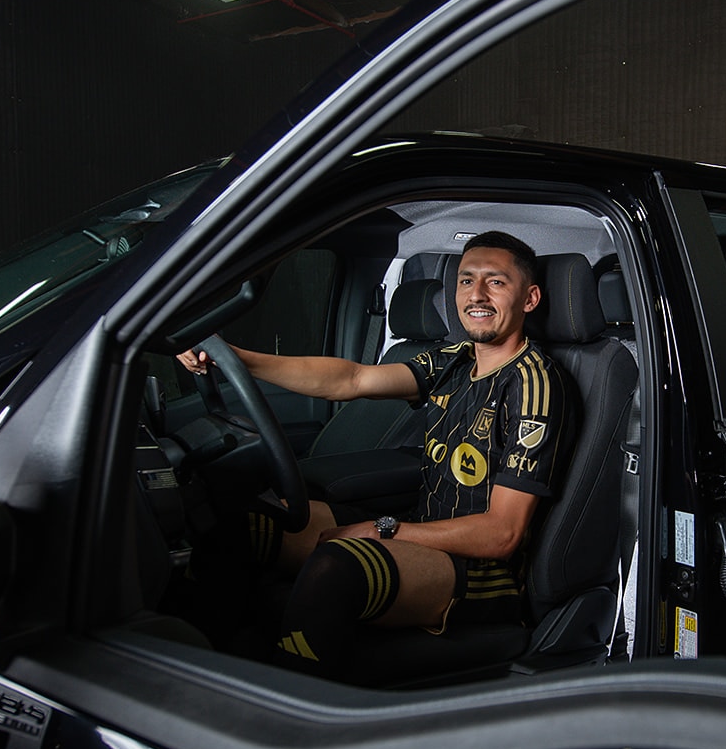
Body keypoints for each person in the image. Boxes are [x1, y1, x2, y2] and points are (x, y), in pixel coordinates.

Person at [177, 231, 576, 678]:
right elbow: (351, 380)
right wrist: (233, 357)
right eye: (466, 281)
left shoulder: (535, 385)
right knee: (245, 524)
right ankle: (204, 667)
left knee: (338, 566)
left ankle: (289, 712)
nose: (476, 295)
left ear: (530, 298)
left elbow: (501, 535)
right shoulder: (454, 360)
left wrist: (382, 530)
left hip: (487, 576)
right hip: (425, 533)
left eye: (496, 282)